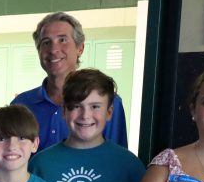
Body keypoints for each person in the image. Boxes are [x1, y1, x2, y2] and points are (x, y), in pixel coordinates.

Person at [13, 12, 128, 152]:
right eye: (46, 42)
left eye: (62, 40)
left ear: (80, 48)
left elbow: (117, 160)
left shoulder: (109, 102)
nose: (53, 50)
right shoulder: (21, 104)